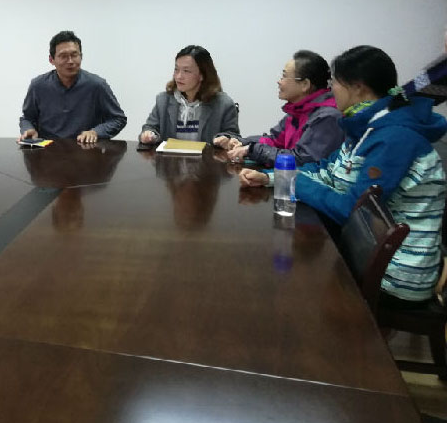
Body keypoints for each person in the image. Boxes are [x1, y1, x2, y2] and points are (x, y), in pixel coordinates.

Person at [240, 46, 447, 305]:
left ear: (358, 87)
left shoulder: (395, 137)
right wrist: (273, 177)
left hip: (394, 275)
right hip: (365, 253)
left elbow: (358, 212)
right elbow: (327, 169)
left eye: (334, 83)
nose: (330, 90)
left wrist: (297, 182)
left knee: (279, 279)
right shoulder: (365, 126)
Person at [214, 50, 342, 166]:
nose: (279, 81)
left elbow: (301, 160)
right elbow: (273, 140)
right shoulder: (298, 111)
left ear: (305, 84)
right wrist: (238, 141)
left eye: (284, 76)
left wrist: (251, 149)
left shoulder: (327, 117)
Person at [19, 31, 126, 143]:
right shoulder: (38, 85)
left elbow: (118, 119)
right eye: (63, 56)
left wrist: (96, 132)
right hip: (48, 148)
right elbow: (27, 118)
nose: (70, 61)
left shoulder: (97, 85)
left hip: (86, 148)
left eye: (74, 55)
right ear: (51, 60)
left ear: (81, 57)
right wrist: (28, 129)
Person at [139, 45, 239, 144]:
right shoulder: (163, 100)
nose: (178, 76)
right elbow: (150, 127)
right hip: (170, 155)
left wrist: (226, 139)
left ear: (202, 75)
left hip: (207, 155)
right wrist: (148, 134)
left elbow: (234, 136)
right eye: (176, 69)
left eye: (186, 71)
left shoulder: (223, 104)